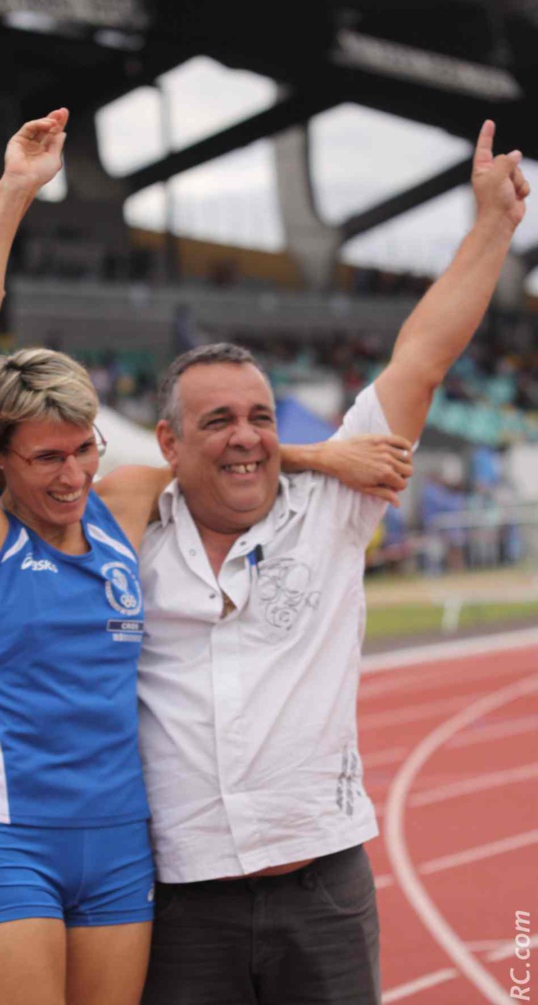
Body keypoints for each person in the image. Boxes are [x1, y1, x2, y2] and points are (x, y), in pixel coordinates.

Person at [0, 109, 413, 1005]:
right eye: (46, 458)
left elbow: (216, 451)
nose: (70, 475)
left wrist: (323, 453)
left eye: (83, 450)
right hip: (10, 832)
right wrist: (15, 190)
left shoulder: (121, 501)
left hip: (120, 845)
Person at [129, 120, 528, 1004]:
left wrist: (492, 228)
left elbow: (420, 358)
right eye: (217, 422)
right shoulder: (131, 533)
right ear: (167, 440)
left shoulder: (333, 511)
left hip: (323, 891)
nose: (246, 437)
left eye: (262, 417)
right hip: (180, 901)